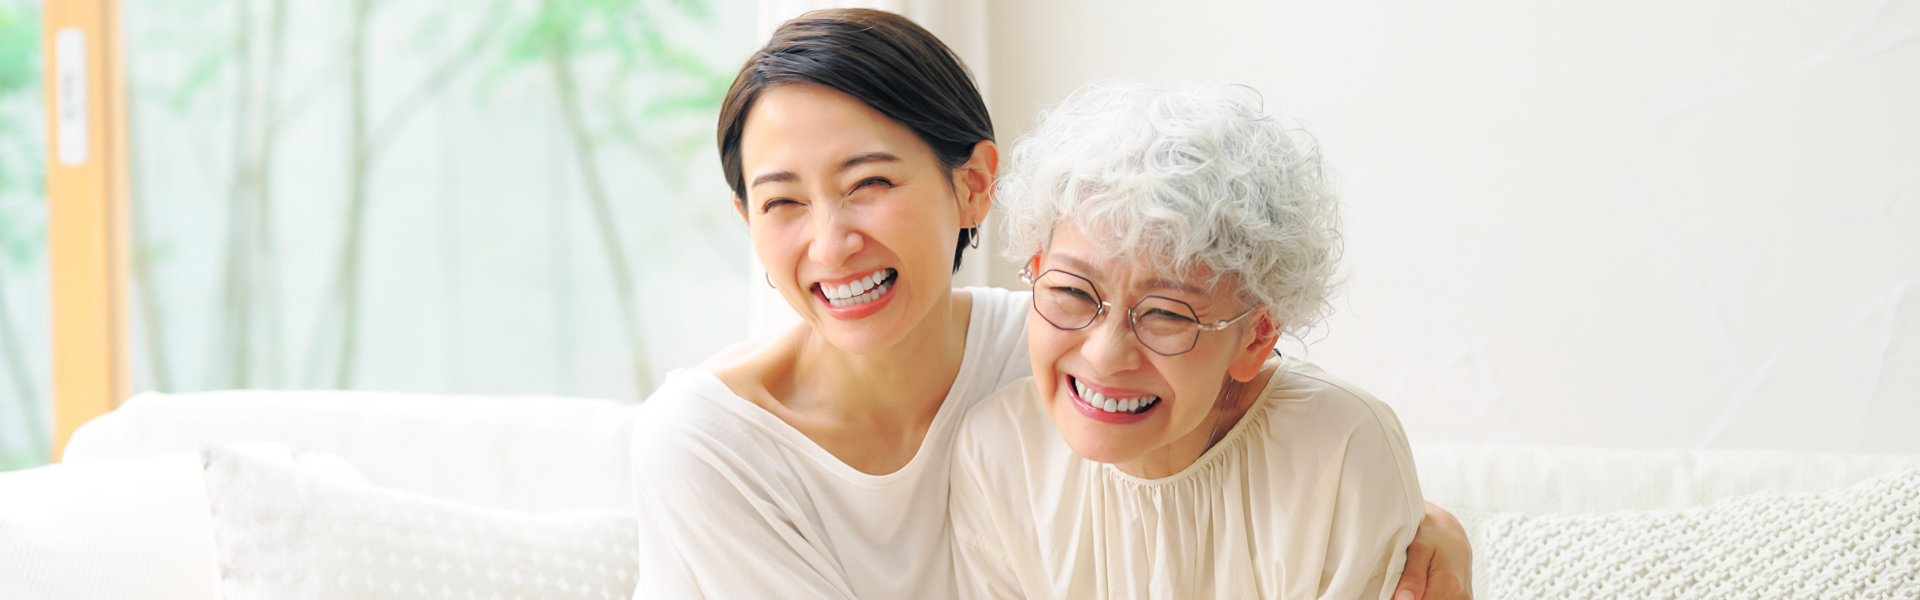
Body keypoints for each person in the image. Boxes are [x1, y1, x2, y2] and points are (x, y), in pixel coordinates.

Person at [629, 9, 1472, 599]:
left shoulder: (1048, 341)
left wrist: (1419, 526)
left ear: (973, 185)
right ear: (748, 222)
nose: (831, 241)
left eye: (870, 184)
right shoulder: (705, 442)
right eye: (782, 201)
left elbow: (1250, 402)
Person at [948, 81, 1423, 599]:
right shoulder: (999, 451)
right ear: (1037, 270)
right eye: (1072, 292)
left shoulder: (1340, 453)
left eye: (1166, 315)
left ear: (1256, 337)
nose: (1105, 355)